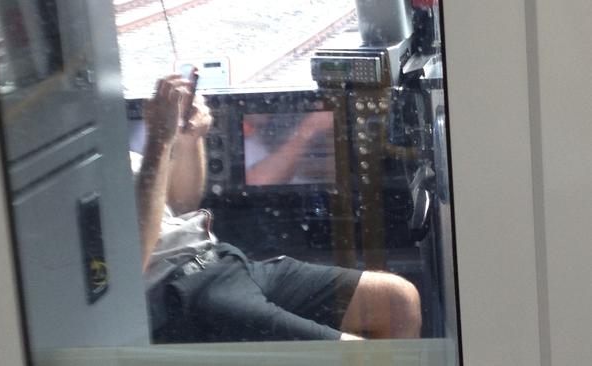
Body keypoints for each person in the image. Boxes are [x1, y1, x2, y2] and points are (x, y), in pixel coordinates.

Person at [134, 74, 421, 343]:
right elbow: (130, 262)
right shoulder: (90, 173)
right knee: (358, 357)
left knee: (399, 301)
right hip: (180, 294)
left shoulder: (115, 157)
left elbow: (180, 204)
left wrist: (189, 138)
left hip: (222, 262)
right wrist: (160, 139)